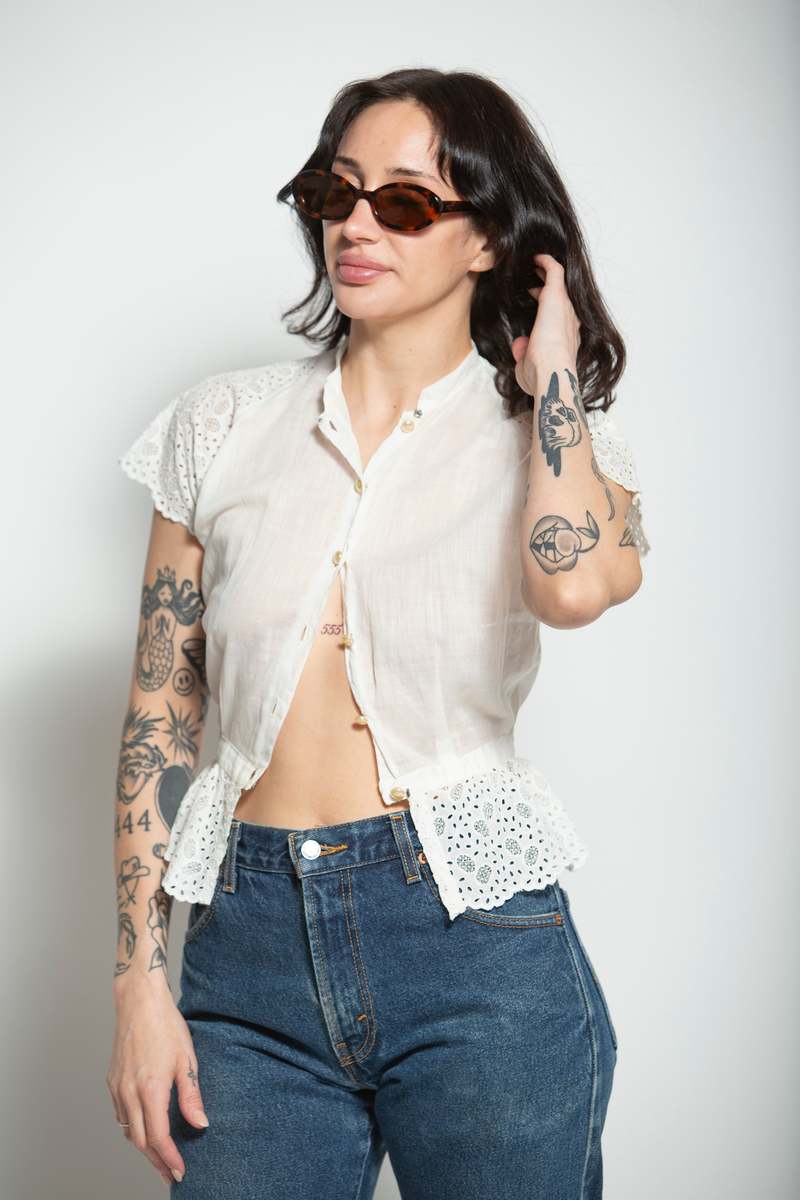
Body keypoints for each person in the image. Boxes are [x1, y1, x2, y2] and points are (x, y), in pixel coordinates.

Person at [108, 66, 649, 1199]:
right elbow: (161, 716)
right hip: (244, 960)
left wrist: (551, 374)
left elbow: (572, 590)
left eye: (402, 202)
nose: (354, 225)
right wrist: (140, 986)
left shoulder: (554, 444)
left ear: (487, 239)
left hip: (472, 948)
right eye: (334, 191)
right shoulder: (219, 426)